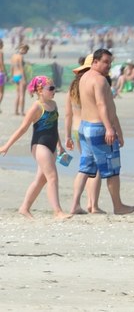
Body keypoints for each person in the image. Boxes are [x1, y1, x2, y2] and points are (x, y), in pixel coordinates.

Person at [75, 48, 134, 215]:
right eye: (105, 62)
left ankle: (74, 204)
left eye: (110, 63)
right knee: (112, 169)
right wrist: (110, 128)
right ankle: (118, 206)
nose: (108, 66)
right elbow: (103, 106)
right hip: (99, 128)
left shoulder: (84, 78)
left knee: (85, 168)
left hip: (84, 127)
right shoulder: (100, 80)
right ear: (95, 62)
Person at [0, 76, 71, 219]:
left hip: (52, 145)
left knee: (41, 179)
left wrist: (60, 146)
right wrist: (7, 145)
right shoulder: (36, 107)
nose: (54, 90)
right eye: (50, 88)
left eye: (54, 87)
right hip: (40, 145)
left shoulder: (54, 104)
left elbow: (54, 127)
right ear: (40, 90)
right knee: (52, 177)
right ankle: (58, 211)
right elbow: (23, 128)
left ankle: (24, 208)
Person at [64, 59, 101, 214]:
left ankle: (84, 203)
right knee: (95, 168)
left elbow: (68, 114)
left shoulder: (72, 88)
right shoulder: (91, 86)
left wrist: (67, 136)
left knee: (86, 165)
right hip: (90, 128)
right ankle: (93, 204)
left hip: (76, 130)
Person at [10, 43, 29, 115]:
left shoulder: (13, 56)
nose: (26, 52)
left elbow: (12, 67)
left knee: (18, 95)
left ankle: (16, 111)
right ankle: (21, 111)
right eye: (26, 51)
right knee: (22, 95)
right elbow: (21, 68)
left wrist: (12, 77)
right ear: (24, 49)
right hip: (20, 76)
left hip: (15, 76)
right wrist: (24, 79)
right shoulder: (20, 56)